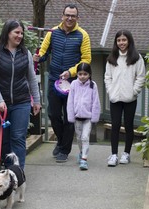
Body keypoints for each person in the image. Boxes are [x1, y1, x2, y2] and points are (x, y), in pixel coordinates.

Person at [33, 3, 91, 163]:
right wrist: (38, 57)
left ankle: (64, 150)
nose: (70, 18)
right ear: (62, 16)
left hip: (73, 83)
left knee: (69, 117)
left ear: (77, 18)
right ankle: (61, 141)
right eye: (67, 15)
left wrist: (71, 72)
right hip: (54, 81)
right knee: (53, 113)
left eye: (73, 15)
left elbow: (86, 59)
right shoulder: (52, 33)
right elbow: (43, 53)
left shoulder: (82, 35)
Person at [0, 19, 41, 170]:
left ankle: (17, 173)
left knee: (18, 137)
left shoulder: (25, 53)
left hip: (21, 102)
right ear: (7, 33)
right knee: (5, 139)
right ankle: (6, 173)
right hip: (1, 104)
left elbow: (31, 77)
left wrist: (36, 100)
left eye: (22, 33)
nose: (20, 36)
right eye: (16, 32)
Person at [104, 30, 146, 167]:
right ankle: (114, 154)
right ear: (116, 42)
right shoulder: (112, 58)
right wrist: (110, 91)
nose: (121, 43)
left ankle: (126, 153)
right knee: (115, 125)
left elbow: (141, 77)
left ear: (129, 41)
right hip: (115, 98)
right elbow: (107, 77)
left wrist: (134, 92)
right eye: (119, 40)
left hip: (130, 98)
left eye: (124, 40)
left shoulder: (137, 58)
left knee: (128, 126)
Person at [67, 63, 100, 170]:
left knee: (85, 137)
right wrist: (71, 115)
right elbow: (70, 101)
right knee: (79, 138)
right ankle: (81, 153)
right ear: (77, 74)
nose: (82, 76)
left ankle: (84, 159)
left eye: (85, 74)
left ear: (89, 74)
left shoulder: (93, 85)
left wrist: (94, 117)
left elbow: (96, 102)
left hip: (88, 118)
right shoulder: (73, 85)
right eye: (80, 74)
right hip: (77, 117)